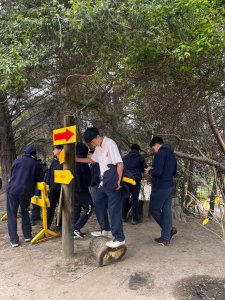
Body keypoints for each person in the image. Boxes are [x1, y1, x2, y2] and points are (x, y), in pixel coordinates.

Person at [76, 127, 125, 248]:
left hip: (113, 181)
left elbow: (120, 163)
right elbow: (92, 159)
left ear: (98, 137)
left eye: (93, 142)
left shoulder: (110, 144)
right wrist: (77, 159)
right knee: (97, 202)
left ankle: (119, 238)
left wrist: (118, 181)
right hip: (104, 183)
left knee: (114, 210)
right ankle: (106, 229)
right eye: (91, 144)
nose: (92, 145)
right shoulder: (98, 147)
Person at [6, 146, 44, 247]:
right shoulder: (37, 164)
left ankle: (14, 240)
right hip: (26, 192)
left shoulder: (16, 161)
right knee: (25, 213)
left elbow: (13, 175)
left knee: (12, 215)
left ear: (25, 152)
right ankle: (27, 235)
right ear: (34, 154)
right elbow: (40, 180)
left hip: (12, 190)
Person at [145, 136, 177, 246]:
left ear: (157, 145)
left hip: (161, 187)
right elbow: (174, 172)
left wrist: (150, 171)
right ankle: (165, 237)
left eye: (153, 148)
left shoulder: (160, 154)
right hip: (170, 186)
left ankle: (168, 232)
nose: (153, 150)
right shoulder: (172, 155)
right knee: (166, 210)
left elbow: (157, 172)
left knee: (154, 209)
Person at [122, 144, 147, 224]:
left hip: (126, 180)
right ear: (138, 150)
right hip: (136, 180)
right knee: (134, 198)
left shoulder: (125, 158)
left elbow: (121, 168)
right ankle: (135, 219)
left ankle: (123, 217)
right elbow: (144, 169)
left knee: (125, 198)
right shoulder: (141, 158)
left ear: (131, 149)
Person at [73, 142, 94, 238]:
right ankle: (76, 228)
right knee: (89, 208)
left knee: (76, 208)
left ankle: (73, 230)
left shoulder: (70, 160)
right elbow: (87, 177)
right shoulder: (81, 161)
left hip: (72, 189)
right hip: (82, 189)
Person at [46, 145, 63, 229]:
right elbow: (49, 173)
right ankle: (46, 225)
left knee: (62, 208)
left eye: (54, 149)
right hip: (53, 189)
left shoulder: (64, 161)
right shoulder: (54, 161)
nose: (53, 151)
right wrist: (48, 184)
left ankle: (59, 225)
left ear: (59, 150)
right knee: (50, 208)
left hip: (61, 189)